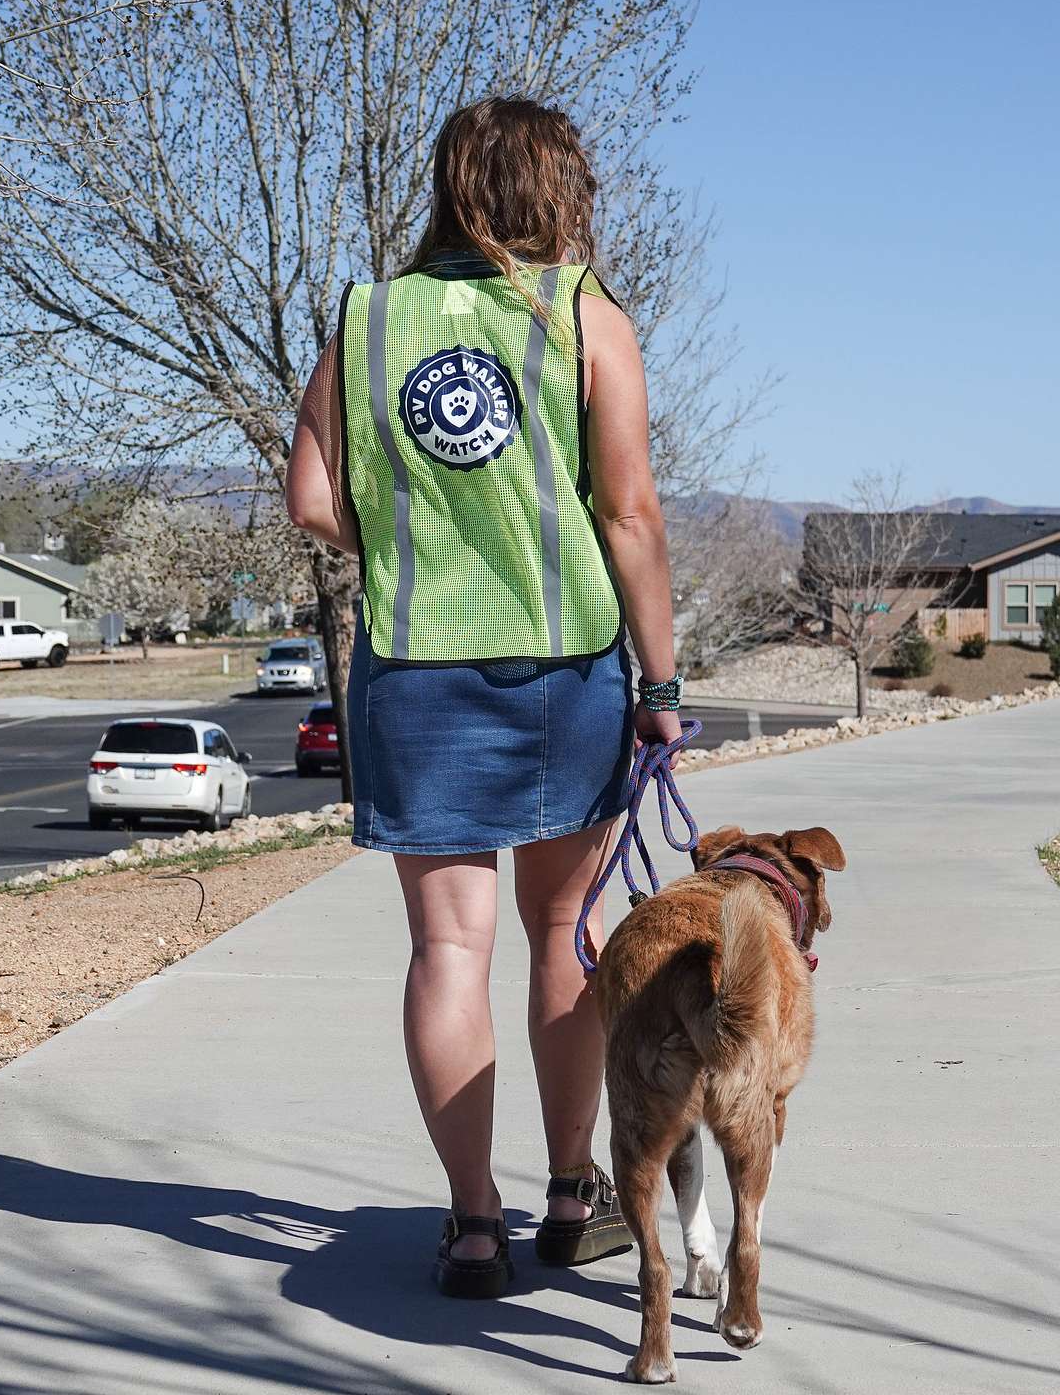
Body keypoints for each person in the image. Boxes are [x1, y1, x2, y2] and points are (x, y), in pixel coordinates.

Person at [286, 95, 682, 1299]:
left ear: (451, 188)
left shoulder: (363, 318)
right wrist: (660, 681)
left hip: (414, 669)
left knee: (442, 946)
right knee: (564, 938)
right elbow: (628, 514)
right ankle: (572, 1195)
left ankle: (471, 1225)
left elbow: (311, 499)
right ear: (560, 192)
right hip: (562, 666)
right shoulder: (581, 315)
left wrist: (418, 541)